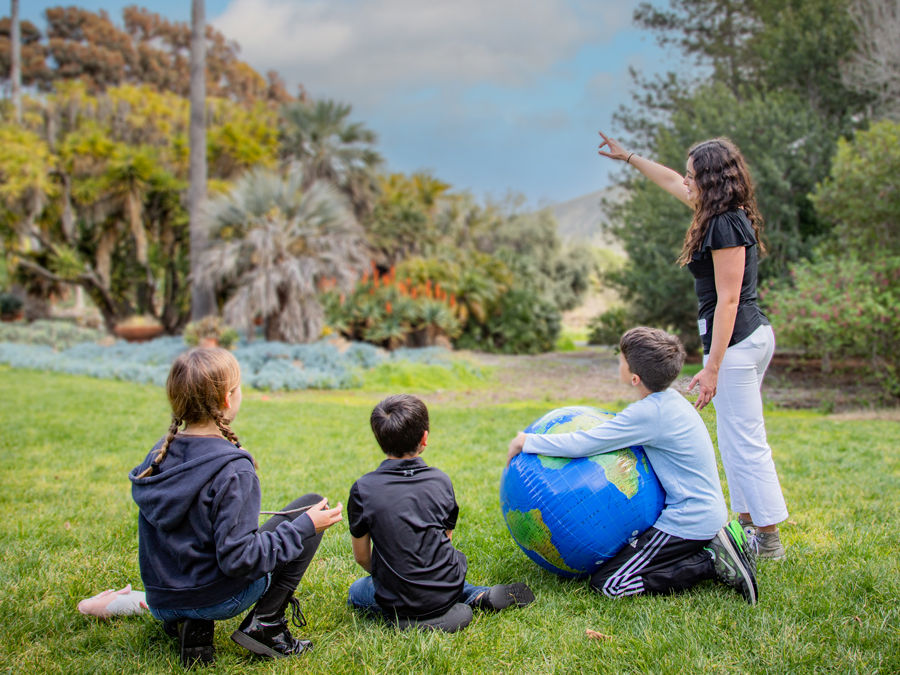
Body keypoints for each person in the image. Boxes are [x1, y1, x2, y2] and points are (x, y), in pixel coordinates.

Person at [596, 133, 788, 559]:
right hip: (743, 340)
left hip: (736, 343)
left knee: (743, 441)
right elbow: (668, 181)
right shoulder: (718, 211)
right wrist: (628, 157)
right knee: (739, 436)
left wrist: (714, 366)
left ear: (712, 179)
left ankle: (768, 540)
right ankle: (751, 527)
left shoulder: (724, 224)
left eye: (692, 175)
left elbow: (730, 299)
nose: (686, 181)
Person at [507, 327, 759, 604]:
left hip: (689, 519)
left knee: (609, 583)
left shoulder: (649, 413)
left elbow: (584, 443)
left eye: (621, 360)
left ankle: (710, 563)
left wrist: (525, 441)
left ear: (635, 377)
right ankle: (713, 544)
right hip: (702, 512)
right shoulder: (669, 400)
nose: (619, 363)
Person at [130, 348, 343, 666]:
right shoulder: (234, 469)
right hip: (216, 598)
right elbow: (240, 560)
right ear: (228, 399)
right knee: (309, 509)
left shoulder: (158, 456)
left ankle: (186, 622)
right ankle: (266, 624)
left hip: (162, 599)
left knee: (299, 512)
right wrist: (305, 526)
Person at [347, 394, 535, 632]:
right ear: (424, 438)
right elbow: (445, 540)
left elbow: (362, 557)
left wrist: (395, 579)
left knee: (357, 591)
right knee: (446, 582)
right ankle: (477, 596)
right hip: (446, 584)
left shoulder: (362, 489)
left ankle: (411, 618)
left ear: (379, 438)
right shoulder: (441, 481)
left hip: (397, 596)